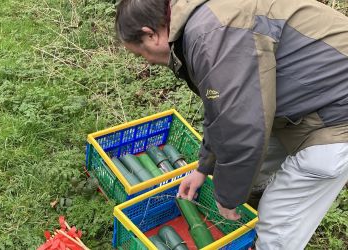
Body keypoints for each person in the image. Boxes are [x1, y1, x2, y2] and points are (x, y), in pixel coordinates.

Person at [115, 0, 348, 248]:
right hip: (309, 101)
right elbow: (224, 110)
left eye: (140, 54)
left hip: (336, 115)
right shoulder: (203, 22)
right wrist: (203, 168)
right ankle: (248, 217)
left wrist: (227, 196)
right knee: (249, 174)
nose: (147, 62)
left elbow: (242, 126)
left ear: (150, 35)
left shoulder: (211, 33)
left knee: (278, 221)